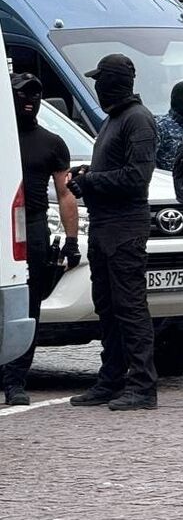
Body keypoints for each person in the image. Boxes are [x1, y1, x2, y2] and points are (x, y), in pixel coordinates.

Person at [67, 55, 159, 411]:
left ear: (112, 82)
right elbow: (118, 169)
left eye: (100, 80)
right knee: (108, 307)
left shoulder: (137, 120)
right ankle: (111, 378)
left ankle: (142, 385)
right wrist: (90, 174)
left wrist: (90, 181)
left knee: (130, 308)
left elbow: (137, 178)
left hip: (124, 227)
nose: (96, 86)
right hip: (107, 227)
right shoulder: (115, 119)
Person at [3, 74, 76, 406]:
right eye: (22, 94)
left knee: (29, 304)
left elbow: (65, 194)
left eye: (35, 95)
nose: (29, 101)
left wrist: (71, 240)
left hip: (32, 227)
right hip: (6, 226)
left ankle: (16, 379)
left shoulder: (52, 142)